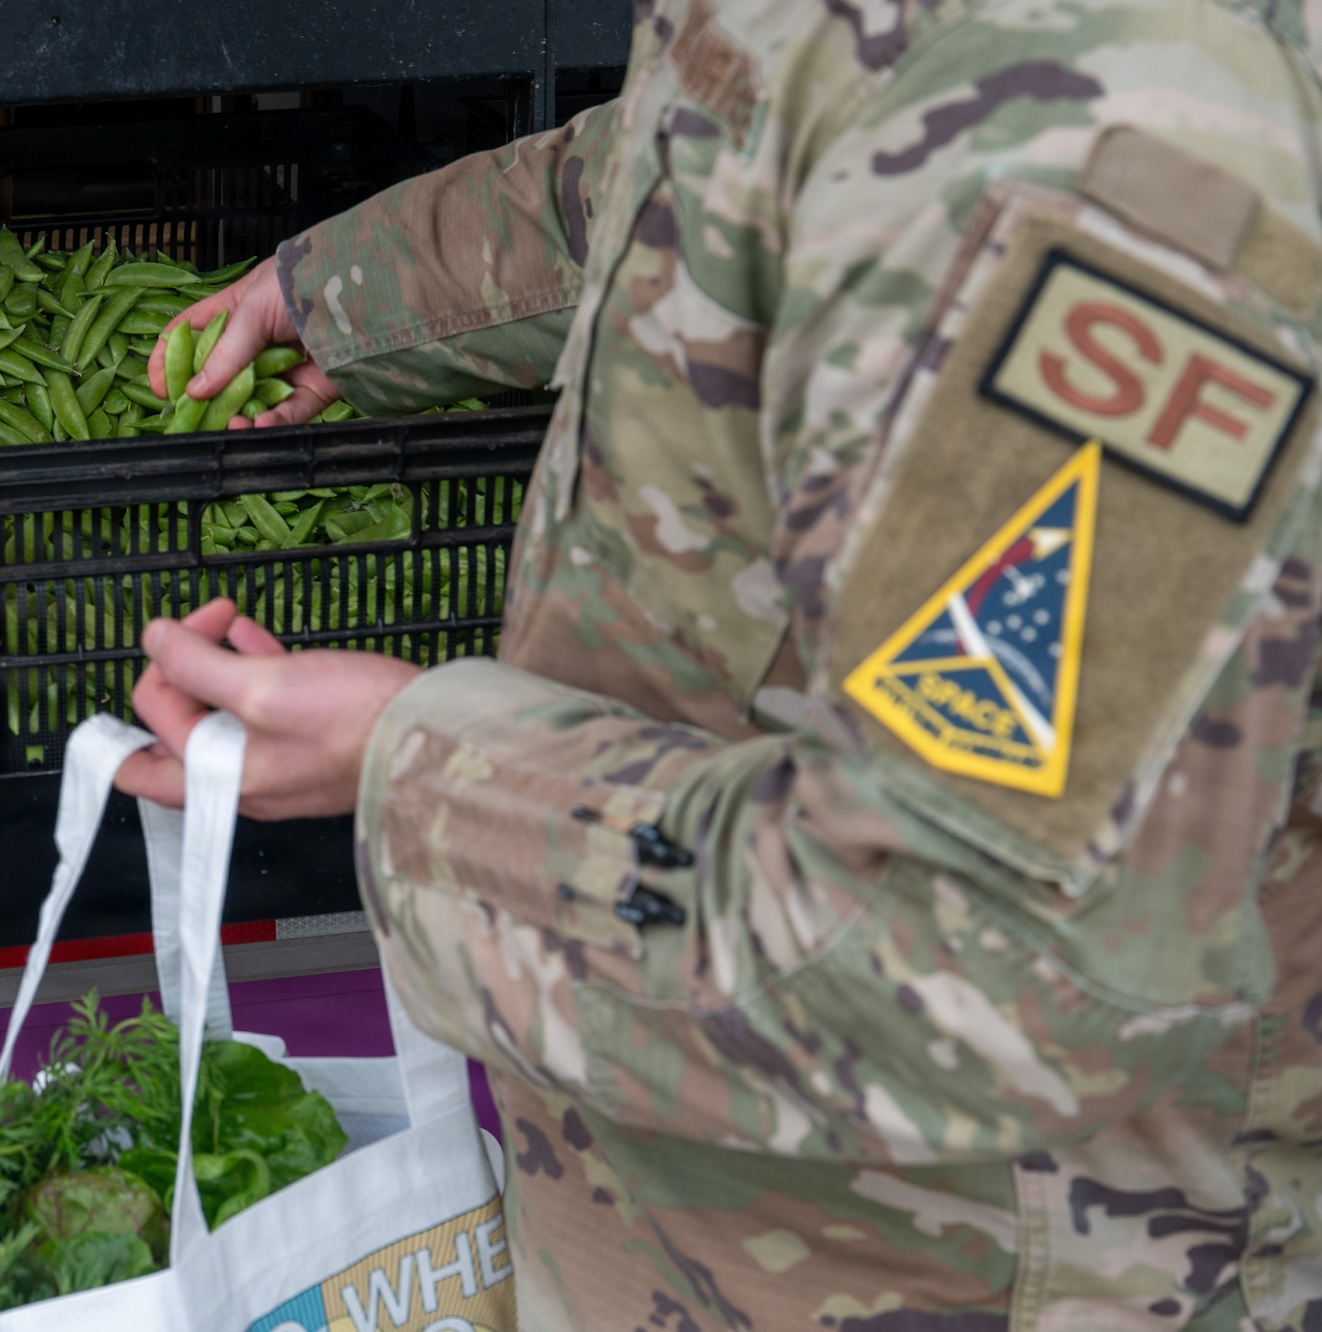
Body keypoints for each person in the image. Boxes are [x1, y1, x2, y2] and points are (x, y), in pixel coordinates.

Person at [115, 0, 1322, 1324]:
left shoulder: (1115, 120)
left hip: (958, 1257)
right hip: (693, 1209)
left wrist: (414, 766)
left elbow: (974, 946)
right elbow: (708, 144)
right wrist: (348, 291)